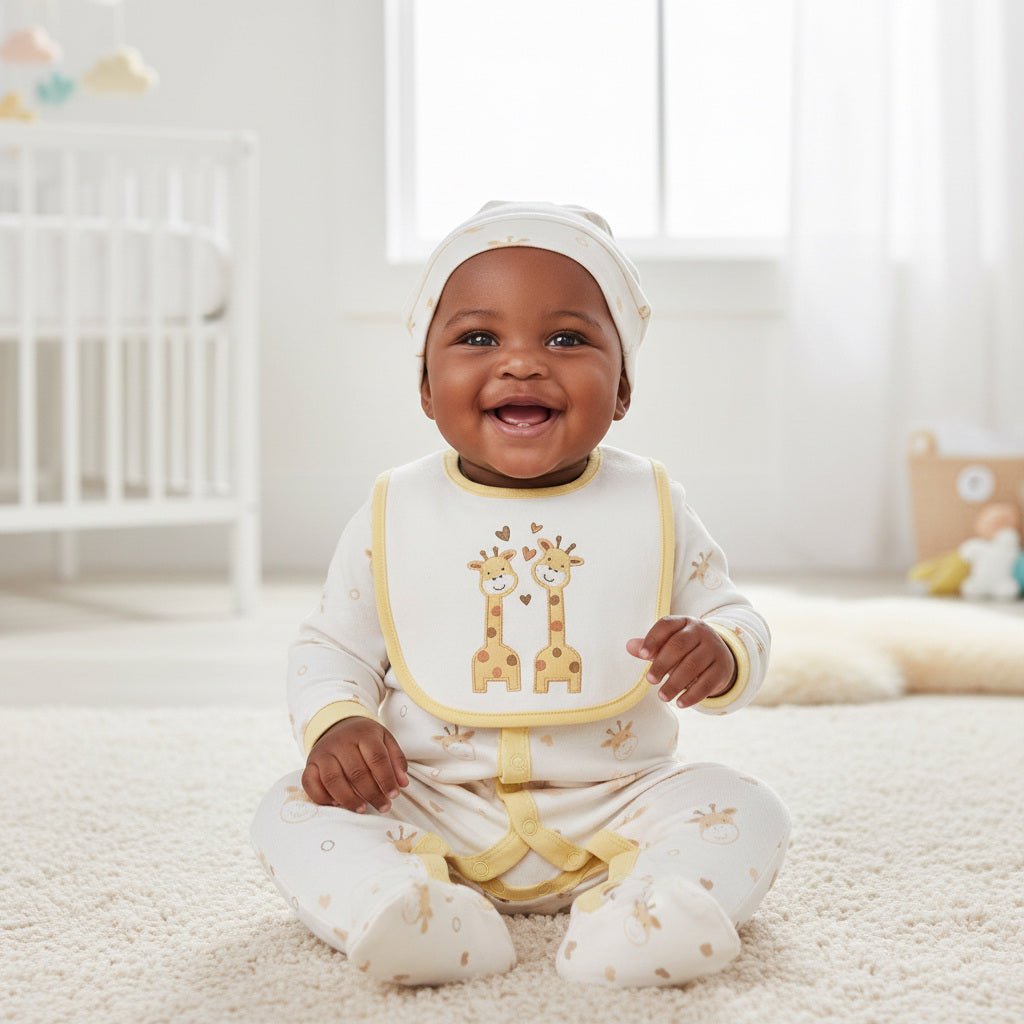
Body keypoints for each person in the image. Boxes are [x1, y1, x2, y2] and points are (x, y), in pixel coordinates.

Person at [251, 201, 790, 988]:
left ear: (623, 388)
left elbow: (732, 612)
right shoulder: (394, 512)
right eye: (479, 338)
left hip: (615, 799)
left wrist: (723, 652)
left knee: (748, 808)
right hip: (430, 798)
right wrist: (340, 725)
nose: (523, 364)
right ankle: (406, 907)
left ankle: (645, 917)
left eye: (566, 339)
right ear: (426, 387)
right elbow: (332, 647)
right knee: (290, 809)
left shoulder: (654, 505)